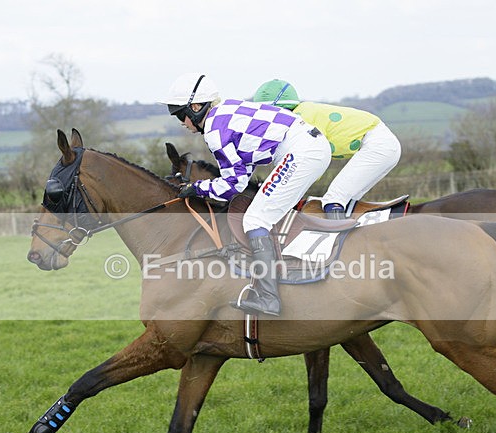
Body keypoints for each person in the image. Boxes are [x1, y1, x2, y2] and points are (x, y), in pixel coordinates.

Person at [161, 73, 331, 317]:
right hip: (309, 147)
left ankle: (268, 297)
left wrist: (197, 188)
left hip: (301, 152)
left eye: (180, 115)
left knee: (255, 219)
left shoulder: (215, 130)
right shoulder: (226, 111)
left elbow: (232, 185)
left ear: (196, 108)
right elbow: (242, 172)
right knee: (266, 209)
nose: (182, 123)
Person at [253, 79, 401, 219]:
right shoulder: (303, 112)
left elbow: (300, 165)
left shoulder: (300, 119)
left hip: (378, 144)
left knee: (333, 200)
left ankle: (337, 234)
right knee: (348, 202)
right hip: (382, 143)